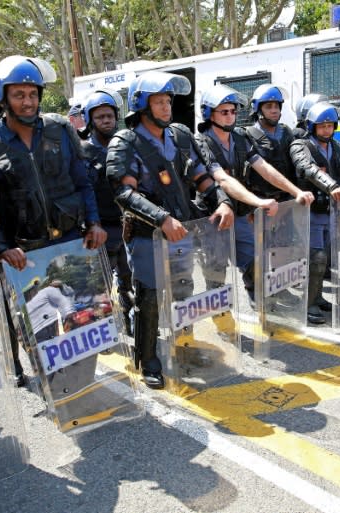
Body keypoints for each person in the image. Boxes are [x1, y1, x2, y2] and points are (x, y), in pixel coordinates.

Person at [0, 56, 107, 388]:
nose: (28, 101)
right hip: (27, 255)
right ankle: (52, 387)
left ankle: (81, 386)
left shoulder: (60, 131)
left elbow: (82, 182)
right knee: (38, 330)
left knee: (85, 322)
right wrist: (3, 247)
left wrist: (94, 222)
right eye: (19, 94)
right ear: (3, 97)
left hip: (71, 243)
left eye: (32, 94)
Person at [105, 71, 234, 389]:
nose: (166, 108)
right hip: (148, 234)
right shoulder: (126, 142)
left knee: (182, 289)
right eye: (159, 101)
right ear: (141, 105)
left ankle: (183, 347)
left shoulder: (179, 135)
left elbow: (201, 176)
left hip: (184, 230)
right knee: (149, 297)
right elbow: (124, 192)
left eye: (168, 101)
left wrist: (222, 201)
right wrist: (161, 218)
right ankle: (147, 357)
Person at [194, 84, 314, 306]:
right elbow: (222, 179)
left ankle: (261, 307)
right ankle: (222, 319)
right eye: (224, 112)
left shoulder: (240, 137)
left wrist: (295, 191)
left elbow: (264, 167)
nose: (231, 116)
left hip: (239, 213)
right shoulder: (202, 141)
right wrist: (258, 201)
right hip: (213, 216)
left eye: (233, 111)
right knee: (216, 271)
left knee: (253, 264)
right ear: (210, 114)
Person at [291, 102, 340, 324]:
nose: (326, 130)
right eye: (322, 126)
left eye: (330, 125)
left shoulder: (335, 146)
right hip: (310, 211)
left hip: (331, 211)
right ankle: (308, 304)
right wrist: (331, 185)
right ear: (312, 126)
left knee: (325, 258)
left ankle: (318, 296)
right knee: (316, 258)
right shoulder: (301, 145)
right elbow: (307, 168)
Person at [79, 88, 135, 331]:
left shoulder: (125, 146)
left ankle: (131, 320)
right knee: (98, 287)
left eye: (110, 115)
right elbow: (82, 191)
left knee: (130, 280)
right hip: (100, 229)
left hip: (128, 226)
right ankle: (101, 331)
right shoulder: (82, 151)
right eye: (100, 116)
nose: (106, 120)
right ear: (91, 120)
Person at [243, 84, 298, 201]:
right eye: (268, 106)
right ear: (258, 108)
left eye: (277, 106)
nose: (274, 110)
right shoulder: (247, 135)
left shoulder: (286, 132)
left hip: (288, 200)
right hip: (262, 203)